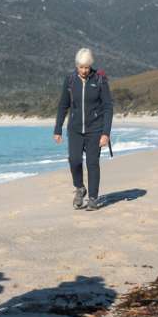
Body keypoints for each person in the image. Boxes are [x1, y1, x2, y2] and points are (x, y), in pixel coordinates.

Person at [53, 48, 114, 211]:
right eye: (81, 67)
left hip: (95, 129)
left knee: (92, 163)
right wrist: (57, 129)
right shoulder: (70, 80)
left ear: (90, 65)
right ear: (76, 65)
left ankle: (93, 198)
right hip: (74, 129)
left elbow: (108, 107)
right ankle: (80, 188)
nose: (84, 70)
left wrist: (105, 133)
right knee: (74, 160)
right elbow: (63, 105)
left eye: (87, 67)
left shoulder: (100, 79)